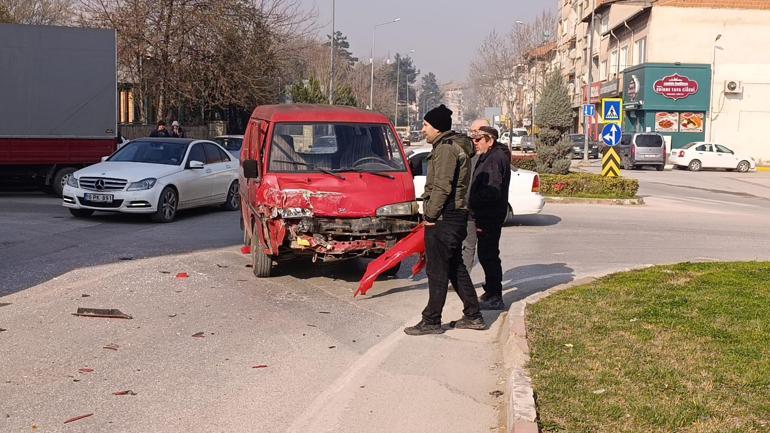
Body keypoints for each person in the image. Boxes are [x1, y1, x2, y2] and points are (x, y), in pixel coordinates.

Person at [404, 104, 485, 336]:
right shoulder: (449, 145)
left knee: (437, 270)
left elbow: (442, 185)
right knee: (455, 268)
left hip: (445, 217)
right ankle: (473, 315)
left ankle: (431, 320)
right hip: (453, 216)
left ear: (437, 128)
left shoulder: (446, 149)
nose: (422, 129)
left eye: (426, 125)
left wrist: (430, 216)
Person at [468, 125, 511, 310]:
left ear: (490, 140)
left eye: (478, 139)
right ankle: (491, 290)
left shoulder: (495, 158)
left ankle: (495, 295)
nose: (475, 143)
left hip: (489, 214)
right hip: (485, 213)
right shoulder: (487, 156)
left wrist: (471, 201)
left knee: (489, 255)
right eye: (473, 139)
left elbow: (492, 191)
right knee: (487, 254)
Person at [462, 118, 491, 272]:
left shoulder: (494, 157)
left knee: (488, 251)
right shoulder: (470, 155)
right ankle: (463, 280)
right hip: (469, 211)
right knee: (468, 244)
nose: (473, 137)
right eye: (472, 132)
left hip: (486, 213)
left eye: (476, 132)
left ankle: (492, 287)